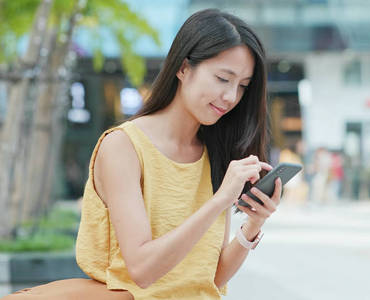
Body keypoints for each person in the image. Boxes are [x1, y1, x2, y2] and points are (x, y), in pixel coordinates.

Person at [2, 9, 280, 300]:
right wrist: (220, 199)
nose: (231, 96)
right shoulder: (124, 146)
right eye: (223, 78)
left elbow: (210, 278)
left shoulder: (217, 153)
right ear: (184, 68)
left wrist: (253, 225)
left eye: (243, 86)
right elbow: (143, 271)